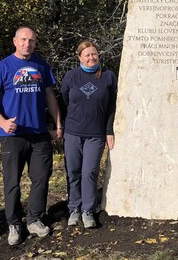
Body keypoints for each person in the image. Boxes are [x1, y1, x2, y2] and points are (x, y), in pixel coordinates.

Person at [0, 26, 63, 246]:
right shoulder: (3, 67)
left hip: (38, 133)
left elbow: (50, 97)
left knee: (41, 177)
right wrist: (1, 121)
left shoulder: (41, 65)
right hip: (13, 134)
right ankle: (14, 223)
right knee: (12, 182)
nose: (28, 44)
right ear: (15, 41)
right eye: (24, 40)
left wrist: (58, 124)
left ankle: (34, 219)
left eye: (32, 40)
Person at [61, 41, 117, 229]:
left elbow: (112, 107)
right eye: (87, 55)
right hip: (73, 132)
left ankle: (88, 210)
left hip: (96, 134)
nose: (91, 57)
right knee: (73, 172)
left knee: (89, 172)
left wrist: (109, 131)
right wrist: (60, 127)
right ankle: (74, 209)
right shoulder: (71, 76)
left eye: (94, 54)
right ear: (79, 57)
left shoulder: (108, 77)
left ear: (98, 56)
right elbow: (64, 101)